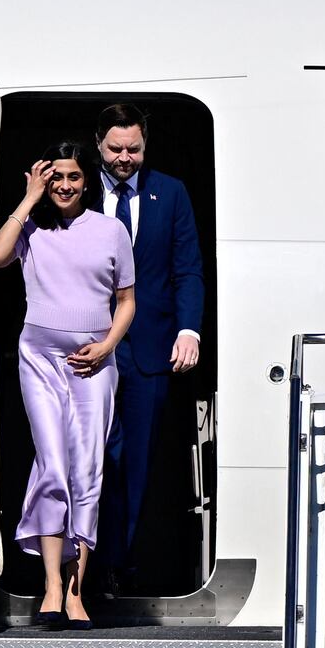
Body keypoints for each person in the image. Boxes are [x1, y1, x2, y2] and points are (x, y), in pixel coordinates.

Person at [0, 141, 136, 628]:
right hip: (40, 358)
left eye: (73, 177)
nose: (65, 186)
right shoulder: (31, 227)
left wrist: (107, 346)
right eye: (56, 179)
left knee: (86, 472)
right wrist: (28, 199)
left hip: (94, 362)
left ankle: (76, 591)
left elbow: (127, 301)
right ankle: (51, 585)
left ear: (86, 180)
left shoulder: (111, 230)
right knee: (52, 465)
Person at [94, 103, 204, 592]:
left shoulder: (172, 193)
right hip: (88, 348)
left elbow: (188, 269)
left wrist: (189, 330)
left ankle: (122, 563)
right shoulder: (75, 191)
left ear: (146, 146)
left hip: (150, 351)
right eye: (115, 148)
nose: (124, 158)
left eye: (133, 148)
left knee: (136, 462)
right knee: (90, 457)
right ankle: (84, 564)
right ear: (99, 143)